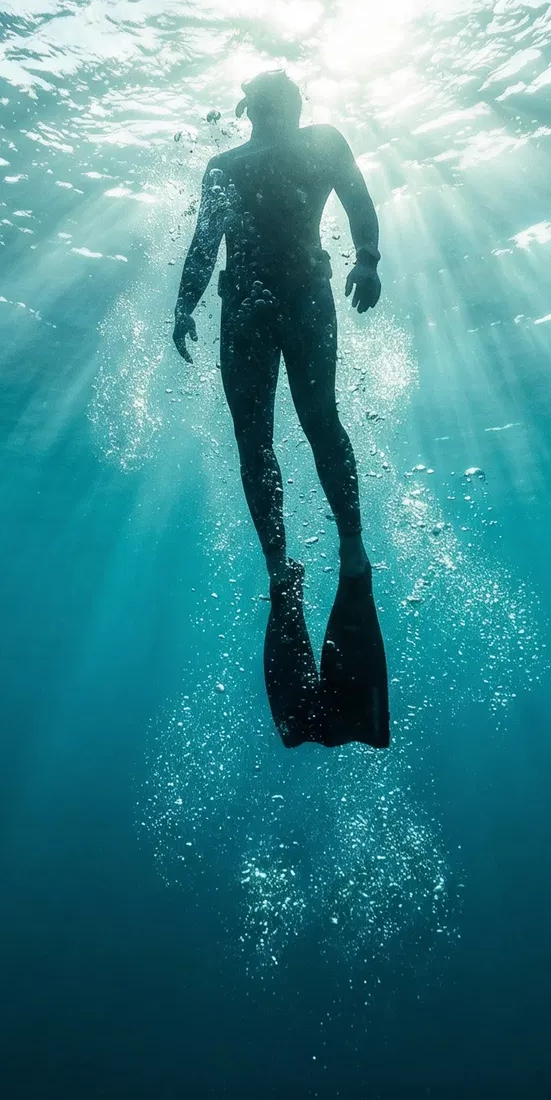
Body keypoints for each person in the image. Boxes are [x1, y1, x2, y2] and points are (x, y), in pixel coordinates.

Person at [173, 70, 389, 748]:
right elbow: (207, 240)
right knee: (278, 433)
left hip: (272, 301)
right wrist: (184, 301)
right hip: (267, 302)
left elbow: (356, 200)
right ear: (265, 107)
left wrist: (370, 259)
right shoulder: (253, 157)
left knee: (288, 430)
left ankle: (312, 557)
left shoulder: (298, 148)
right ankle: (319, 556)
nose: (280, 106)